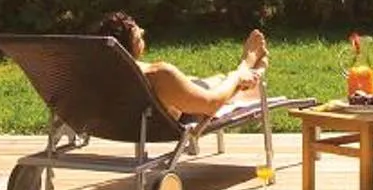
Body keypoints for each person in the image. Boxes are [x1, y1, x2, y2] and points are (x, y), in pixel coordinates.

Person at [93, 11, 268, 121]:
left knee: (216, 80)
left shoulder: (92, 73)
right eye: (139, 37)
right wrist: (237, 74)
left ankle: (250, 77)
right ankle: (248, 70)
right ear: (127, 48)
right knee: (230, 83)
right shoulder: (159, 75)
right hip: (175, 113)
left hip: (126, 121)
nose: (144, 32)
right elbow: (211, 104)